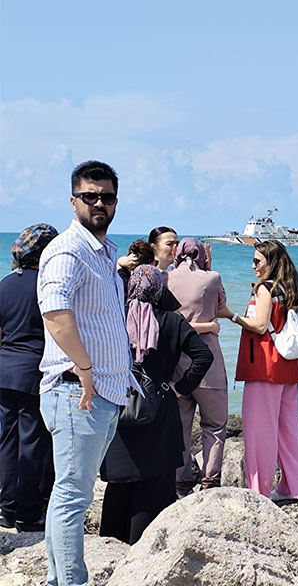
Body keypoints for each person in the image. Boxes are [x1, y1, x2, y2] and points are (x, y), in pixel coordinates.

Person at [37, 161, 137, 586]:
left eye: (107, 197)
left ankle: (57, 580)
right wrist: (86, 367)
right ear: (73, 200)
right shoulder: (68, 250)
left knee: (69, 495)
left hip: (100, 394)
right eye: (90, 196)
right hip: (77, 390)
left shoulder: (106, 251)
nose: (99, 203)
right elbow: (55, 311)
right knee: (72, 497)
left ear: (116, 201)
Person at [99, 266, 211, 544]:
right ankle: (144, 554)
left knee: (118, 486)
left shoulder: (115, 318)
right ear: (159, 290)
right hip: (159, 411)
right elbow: (203, 356)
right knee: (155, 487)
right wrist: (180, 387)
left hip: (118, 408)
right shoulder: (172, 322)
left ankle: (110, 548)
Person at [222, 240, 298, 500]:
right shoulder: (292, 287)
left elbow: (259, 325)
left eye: (257, 261)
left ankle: (259, 491)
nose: (253, 266)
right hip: (290, 368)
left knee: (259, 432)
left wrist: (229, 314)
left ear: (271, 262)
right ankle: (294, 489)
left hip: (265, 368)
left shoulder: (265, 288)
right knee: (289, 431)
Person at [0, 224, 59, 532]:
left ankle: (7, 508)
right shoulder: (47, 285)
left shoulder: (6, 283)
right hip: (35, 371)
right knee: (33, 444)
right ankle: (28, 512)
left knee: (6, 442)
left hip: (5, 369)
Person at [166, 238, 230, 495]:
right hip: (208, 362)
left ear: (176, 254)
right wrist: (209, 267)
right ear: (203, 254)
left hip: (177, 362)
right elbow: (220, 306)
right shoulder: (212, 277)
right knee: (214, 426)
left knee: (180, 425)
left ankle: (180, 482)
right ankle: (209, 483)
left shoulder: (166, 278)